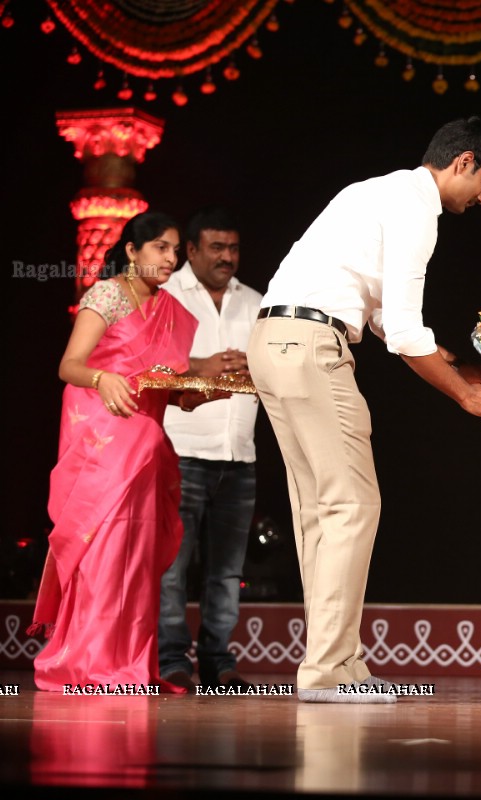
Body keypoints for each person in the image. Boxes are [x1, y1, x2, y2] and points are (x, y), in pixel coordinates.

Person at [247, 116, 481, 704]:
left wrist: (452, 362)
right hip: (310, 348)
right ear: (463, 162)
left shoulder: (371, 190)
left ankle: (339, 664)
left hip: (272, 341)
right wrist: (466, 394)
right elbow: (403, 332)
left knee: (321, 511)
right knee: (352, 504)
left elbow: (376, 313)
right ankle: (328, 671)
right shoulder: (415, 210)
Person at [28, 211, 223, 692]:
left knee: (137, 562)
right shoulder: (107, 294)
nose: (171, 258)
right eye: (160, 247)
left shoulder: (170, 310)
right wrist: (103, 376)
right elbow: (69, 366)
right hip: (101, 446)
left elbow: (166, 388)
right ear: (132, 252)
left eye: (176, 249)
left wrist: (200, 391)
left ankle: (128, 668)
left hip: (147, 450)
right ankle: (86, 664)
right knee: (102, 554)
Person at [157, 206, 262, 693]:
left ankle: (219, 661)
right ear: (192, 251)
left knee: (227, 571)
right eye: (215, 248)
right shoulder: (165, 298)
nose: (226, 257)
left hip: (239, 452)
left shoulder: (256, 301)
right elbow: (148, 366)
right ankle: (170, 659)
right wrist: (205, 366)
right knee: (174, 565)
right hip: (183, 445)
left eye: (233, 248)